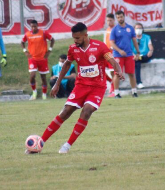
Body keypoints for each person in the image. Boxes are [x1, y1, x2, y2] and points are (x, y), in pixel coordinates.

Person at [27, 22, 123, 154]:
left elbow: (112, 60)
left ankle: (67, 145)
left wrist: (118, 70)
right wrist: (57, 84)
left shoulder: (99, 46)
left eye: (78, 38)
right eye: (74, 38)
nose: (75, 41)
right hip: (80, 86)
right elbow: (66, 64)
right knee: (66, 111)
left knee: (87, 111)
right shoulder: (73, 49)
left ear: (85, 35)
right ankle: (40, 143)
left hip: (97, 88)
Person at [21, 20, 55, 100]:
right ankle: (34, 92)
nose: (33, 28)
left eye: (35, 26)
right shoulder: (28, 34)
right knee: (32, 76)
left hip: (42, 58)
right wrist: (25, 51)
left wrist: (49, 50)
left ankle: (44, 94)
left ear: (37, 26)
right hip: (32, 59)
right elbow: (22, 42)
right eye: (32, 27)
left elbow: (52, 40)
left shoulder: (43, 33)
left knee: (43, 77)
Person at [110, 10, 141, 98]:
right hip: (118, 55)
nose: (120, 19)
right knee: (117, 74)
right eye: (118, 17)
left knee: (131, 73)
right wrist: (119, 50)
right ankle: (116, 93)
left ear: (124, 17)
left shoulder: (130, 28)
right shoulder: (114, 30)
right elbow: (112, 43)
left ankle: (134, 92)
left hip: (129, 54)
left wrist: (137, 52)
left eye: (121, 17)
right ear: (116, 18)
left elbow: (134, 40)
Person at [131, 23, 154, 89]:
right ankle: (139, 82)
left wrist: (151, 51)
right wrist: (134, 55)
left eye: (140, 28)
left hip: (145, 56)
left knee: (139, 59)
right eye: (137, 28)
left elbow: (150, 46)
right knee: (137, 62)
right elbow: (129, 49)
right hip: (135, 57)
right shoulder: (131, 38)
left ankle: (139, 83)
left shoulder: (147, 37)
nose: (138, 30)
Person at [104, 13, 115, 97]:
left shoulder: (116, 29)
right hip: (106, 53)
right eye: (107, 20)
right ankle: (111, 82)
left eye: (110, 20)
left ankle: (113, 88)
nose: (109, 22)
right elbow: (105, 41)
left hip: (113, 54)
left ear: (114, 20)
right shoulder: (107, 29)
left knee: (112, 71)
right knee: (101, 69)